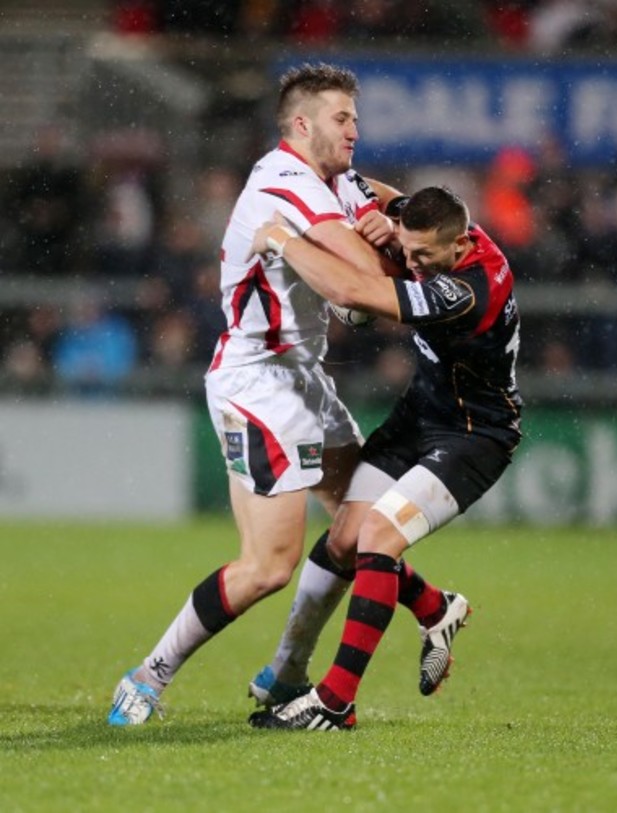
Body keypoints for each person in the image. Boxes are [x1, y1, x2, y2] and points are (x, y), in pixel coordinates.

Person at [107, 63, 460, 725]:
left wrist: (390, 217)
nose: (354, 130)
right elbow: (364, 276)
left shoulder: (337, 180)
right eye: (341, 118)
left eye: (355, 118)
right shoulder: (284, 181)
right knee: (268, 566)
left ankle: (306, 664)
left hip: (305, 377)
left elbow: (391, 206)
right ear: (302, 124)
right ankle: (149, 674)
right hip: (258, 383)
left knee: (361, 528)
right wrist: (384, 245)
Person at [248, 185, 523, 730]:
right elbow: (377, 190)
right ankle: (433, 607)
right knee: (343, 541)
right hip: (418, 417)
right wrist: (366, 207)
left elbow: (351, 292)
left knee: (378, 535)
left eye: (424, 256)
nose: (413, 261)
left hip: (474, 436)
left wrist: (282, 237)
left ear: (460, 245)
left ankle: (336, 702)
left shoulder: (466, 292)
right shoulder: (440, 230)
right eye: (408, 249)